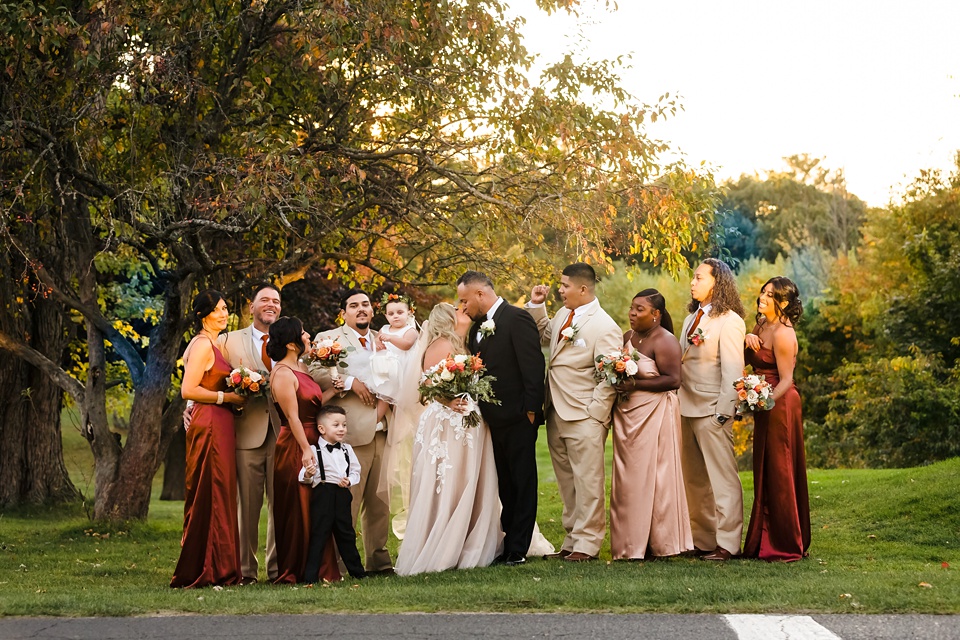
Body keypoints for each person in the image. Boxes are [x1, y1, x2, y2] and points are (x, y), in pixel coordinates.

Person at [395, 303, 503, 575]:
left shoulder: (458, 344)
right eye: (458, 309)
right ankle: (444, 543)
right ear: (447, 318)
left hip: (462, 422)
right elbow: (428, 386)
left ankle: (465, 536)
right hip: (448, 423)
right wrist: (449, 400)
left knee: (463, 479)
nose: (463, 310)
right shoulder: (442, 345)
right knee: (448, 481)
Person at [526, 263, 622, 562]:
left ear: (583, 289)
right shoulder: (560, 315)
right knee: (567, 481)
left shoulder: (605, 326)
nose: (560, 290)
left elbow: (610, 375)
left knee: (588, 481)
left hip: (584, 415)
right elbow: (544, 338)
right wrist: (537, 306)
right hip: (555, 410)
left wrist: (596, 413)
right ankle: (570, 540)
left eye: (565, 285)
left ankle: (588, 544)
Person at [457, 270, 545, 566]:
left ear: (480, 294)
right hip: (490, 418)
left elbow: (533, 366)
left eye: (465, 300)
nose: (463, 307)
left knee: (522, 481)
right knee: (504, 483)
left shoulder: (516, 318)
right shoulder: (476, 328)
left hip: (519, 416)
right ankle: (508, 540)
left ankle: (518, 548)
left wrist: (531, 411)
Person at [310, 289, 393, 575]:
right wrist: (349, 380)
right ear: (343, 312)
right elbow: (314, 374)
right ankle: (340, 564)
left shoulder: (385, 339)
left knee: (381, 503)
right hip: (350, 433)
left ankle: (379, 562)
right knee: (348, 503)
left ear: (372, 311)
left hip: (384, 430)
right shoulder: (327, 338)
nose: (361, 309)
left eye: (366, 305)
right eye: (353, 305)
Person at [609, 289, 693, 560]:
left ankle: (660, 543)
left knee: (655, 477)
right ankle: (630, 543)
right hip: (627, 418)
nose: (632, 313)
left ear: (656, 314)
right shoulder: (627, 337)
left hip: (654, 415)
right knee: (629, 480)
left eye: (639, 309)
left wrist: (634, 384)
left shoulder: (665, 341)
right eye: (632, 308)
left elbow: (673, 380)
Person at [171, 290, 244, 588]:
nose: (225, 313)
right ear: (203, 314)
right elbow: (188, 390)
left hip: (220, 421)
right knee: (211, 491)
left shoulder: (215, 343)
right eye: (218, 309)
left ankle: (221, 566)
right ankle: (209, 569)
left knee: (221, 492)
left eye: (226, 308)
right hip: (211, 423)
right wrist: (226, 396)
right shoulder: (202, 344)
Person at [678, 258, 746, 562]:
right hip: (685, 407)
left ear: (717, 283)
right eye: (693, 278)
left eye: (699, 277)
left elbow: (733, 370)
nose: (693, 283)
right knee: (693, 480)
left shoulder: (730, 321)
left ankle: (728, 544)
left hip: (711, 411)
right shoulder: (690, 319)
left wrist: (723, 412)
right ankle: (703, 540)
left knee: (723, 480)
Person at [268, 316, 342, 583]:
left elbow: (314, 405)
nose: (308, 335)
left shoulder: (301, 367)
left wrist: (334, 392)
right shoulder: (282, 374)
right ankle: (296, 570)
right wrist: (306, 450)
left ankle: (320, 570)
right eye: (302, 333)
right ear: (290, 344)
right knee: (299, 508)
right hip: (295, 445)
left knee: (318, 508)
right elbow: (293, 417)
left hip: (314, 439)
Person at [742, 277, 811, 562]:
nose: (762, 297)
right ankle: (762, 540)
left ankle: (785, 543)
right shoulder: (761, 325)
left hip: (781, 404)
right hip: (765, 402)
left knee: (780, 468)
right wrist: (747, 337)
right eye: (763, 292)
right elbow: (749, 359)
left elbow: (786, 380)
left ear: (782, 303)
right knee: (765, 468)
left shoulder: (784, 334)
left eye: (770, 295)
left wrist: (763, 400)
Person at [217, 283, 281, 584]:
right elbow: (208, 375)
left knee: (281, 505)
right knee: (248, 506)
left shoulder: (289, 339)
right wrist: (191, 405)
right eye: (265, 300)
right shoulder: (228, 340)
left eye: (276, 301)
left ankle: (278, 569)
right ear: (251, 306)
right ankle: (245, 572)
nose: (271, 305)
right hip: (247, 433)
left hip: (283, 433)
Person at [300, 405, 367, 581]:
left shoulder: (347, 449)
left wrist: (350, 480)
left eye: (344, 425)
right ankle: (311, 576)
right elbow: (303, 475)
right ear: (321, 429)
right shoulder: (314, 450)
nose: (341, 429)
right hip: (323, 493)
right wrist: (308, 473)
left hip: (342, 494)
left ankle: (358, 573)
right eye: (336, 425)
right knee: (319, 534)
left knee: (347, 533)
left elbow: (355, 470)